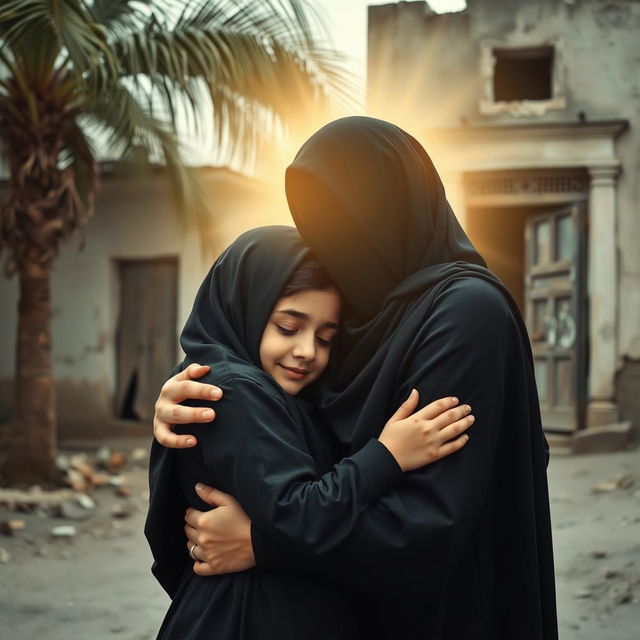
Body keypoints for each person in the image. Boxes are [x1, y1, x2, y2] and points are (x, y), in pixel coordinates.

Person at [154, 117, 558, 639]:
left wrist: (263, 542)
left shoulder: (464, 313)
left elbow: (432, 521)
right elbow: (283, 427)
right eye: (320, 222)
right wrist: (182, 405)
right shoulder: (360, 320)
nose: (336, 243)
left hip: (444, 612)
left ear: (400, 207)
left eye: (351, 217)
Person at [145, 225, 473, 639]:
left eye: (325, 337)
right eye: (288, 327)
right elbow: (299, 514)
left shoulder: (274, 394)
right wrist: (388, 455)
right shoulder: (231, 389)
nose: (307, 351)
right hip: (246, 617)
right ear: (246, 306)